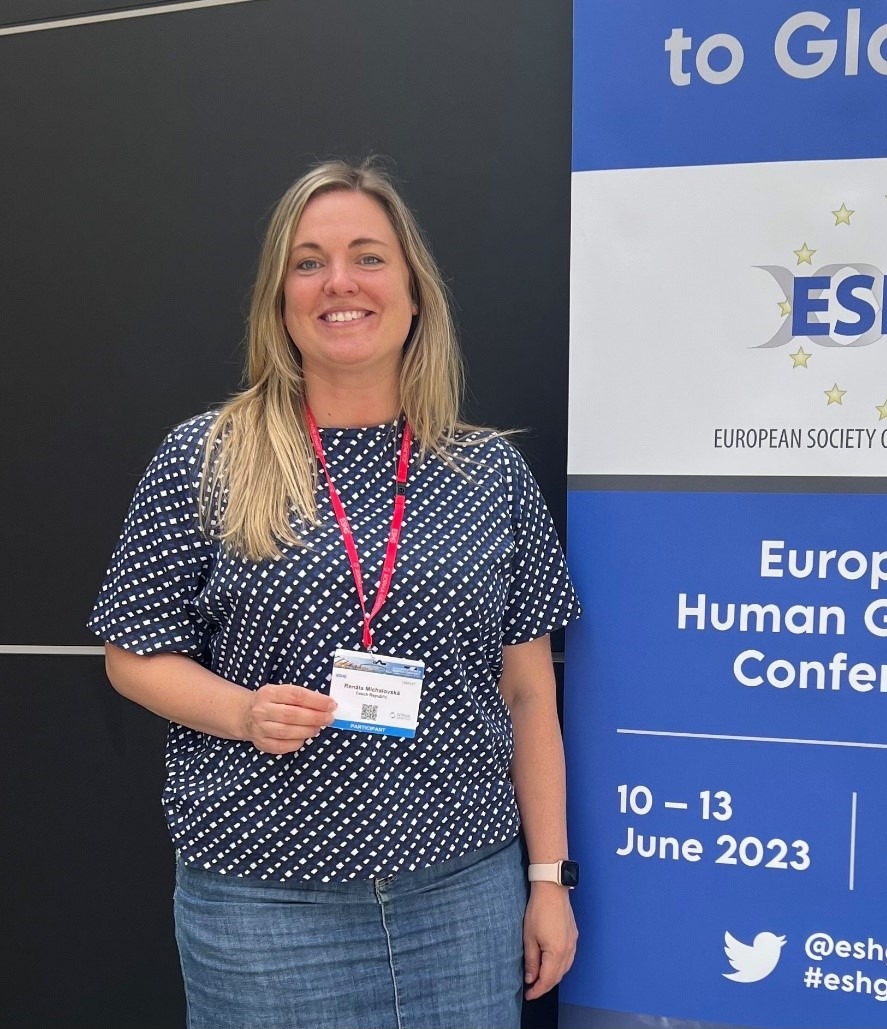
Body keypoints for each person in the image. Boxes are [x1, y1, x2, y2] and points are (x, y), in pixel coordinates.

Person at [89, 161, 580, 1029]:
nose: (339, 282)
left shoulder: (488, 472)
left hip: (462, 897)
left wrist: (548, 880)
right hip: (263, 904)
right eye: (309, 262)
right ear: (279, 300)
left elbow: (528, 692)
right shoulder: (207, 455)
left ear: (414, 293)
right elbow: (133, 654)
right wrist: (243, 712)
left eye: (368, 256)